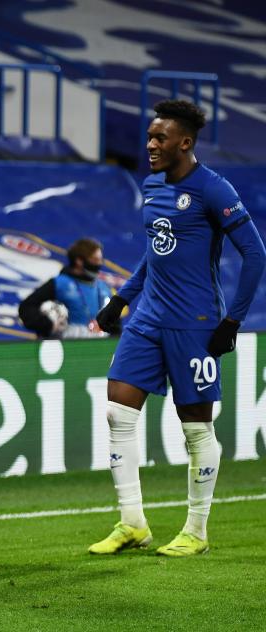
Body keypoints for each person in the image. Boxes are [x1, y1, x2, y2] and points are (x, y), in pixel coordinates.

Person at [89, 100, 265, 557]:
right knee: (117, 411)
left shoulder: (214, 189)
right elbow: (157, 251)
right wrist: (121, 300)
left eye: (159, 137)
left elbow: (256, 254)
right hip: (148, 317)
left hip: (196, 322)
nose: (150, 145)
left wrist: (233, 320)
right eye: (149, 136)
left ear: (184, 142)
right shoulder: (151, 185)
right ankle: (132, 523)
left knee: (196, 428)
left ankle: (196, 531)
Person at [18, 237, 114, 339]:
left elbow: (115, 323)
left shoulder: (103, 288)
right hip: (65, 347)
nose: (99, 264)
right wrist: (48, 325)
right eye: (95, 260)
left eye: (100, 260)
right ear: (79, 261)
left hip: (99, 347)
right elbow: (26, 307)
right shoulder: (60, 284)